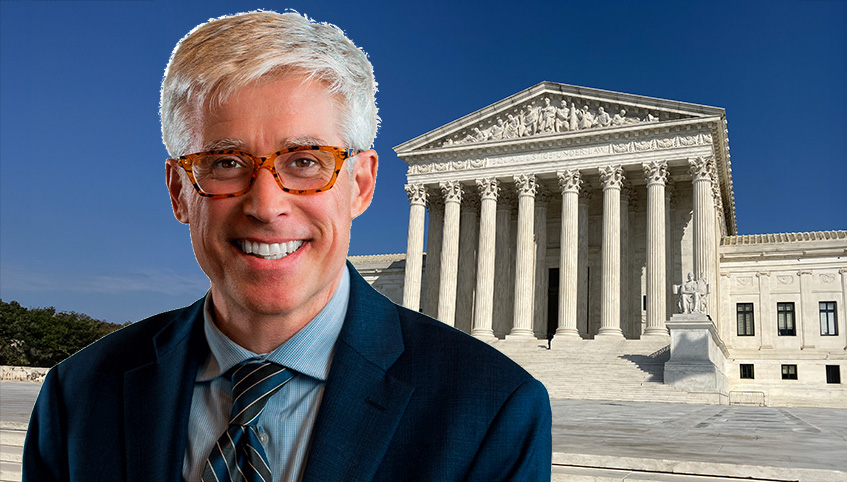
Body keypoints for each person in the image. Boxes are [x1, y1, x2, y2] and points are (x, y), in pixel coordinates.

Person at [22, 10, 551, 482]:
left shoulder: (491, 408)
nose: (267, 206)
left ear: (361, 185)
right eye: (226, 163)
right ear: (179, 191)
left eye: (304, 161)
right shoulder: (77, 397)